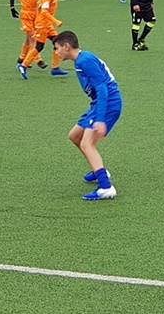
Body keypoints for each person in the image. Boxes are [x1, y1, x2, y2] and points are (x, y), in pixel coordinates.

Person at [53, 30, 122, 200]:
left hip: (108, 103)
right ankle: (99, 170)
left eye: (57, 48)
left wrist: (100, 119)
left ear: (66, 46)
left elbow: (102, 88)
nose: (56, 52)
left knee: (86, 144)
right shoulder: (81, 59)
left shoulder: (85, 61)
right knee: (75, 136)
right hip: (99, 103)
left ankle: (105, 187)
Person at [17, 0, 69, 79]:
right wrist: (56, 21)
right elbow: (44, 12)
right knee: (39, 47)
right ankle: (23, 66)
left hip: (47, 25)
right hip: (41, 25)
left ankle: (55, 68)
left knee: (58, 42)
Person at [10, 0, 46, 69]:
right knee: (33, 37)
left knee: (28, 38)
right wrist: (12, 8)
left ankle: (21, 59)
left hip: (35, 14)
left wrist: (43, 7)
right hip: (25, 15)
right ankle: (38, 60)